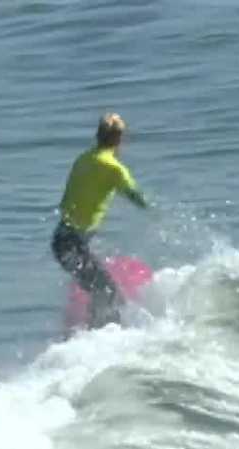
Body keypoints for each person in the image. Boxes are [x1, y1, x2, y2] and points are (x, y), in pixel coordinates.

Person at [52, 113, 149, 327]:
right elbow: (139, 199)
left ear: (97, 135)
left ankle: (93, 334)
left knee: (101, 291)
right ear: (119, 140)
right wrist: (152, 209)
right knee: (109, 294)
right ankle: (101, 338)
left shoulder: (83, 158)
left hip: (61, 241)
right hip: (73, 245)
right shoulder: (114, 169)